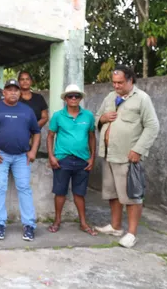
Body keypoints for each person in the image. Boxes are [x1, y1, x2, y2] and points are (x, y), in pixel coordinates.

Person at [94, 65, 159, 248]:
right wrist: (103, 119)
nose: (116, 86)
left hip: (128, 157)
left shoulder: (142, 99)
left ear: (130, 80)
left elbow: (152, 126)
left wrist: (138, 150)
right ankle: (115, 227)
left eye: (120, 82)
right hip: (108, 154)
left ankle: (132, 233)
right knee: (112, 194)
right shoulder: (109, 97)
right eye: (114, 82)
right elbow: (96, 118)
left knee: (131, 196)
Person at [0, 79, 41, 242]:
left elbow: (36, 132)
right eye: (9, 89)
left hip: (21, 157)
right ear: (3, 92)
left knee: (24, 188)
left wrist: (33, 150)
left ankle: (29, 225)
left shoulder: (27, 110)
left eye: (16, 90)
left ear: (20, 93)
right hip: (1, 156)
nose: (13, 92)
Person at [47, 84, 97, 236]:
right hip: (63, 159)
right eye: (70, 96)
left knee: (79, 194)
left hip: (82, 160)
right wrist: (51, 156)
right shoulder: (58, 116)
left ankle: (83, 223)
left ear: (80, 98)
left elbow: (92, 137)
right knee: (60, 193)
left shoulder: (88, 116)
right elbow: (50, 136)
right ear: (65, 99)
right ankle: (57, 221)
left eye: (76, 96)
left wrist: (92, 158)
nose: (74, 98)